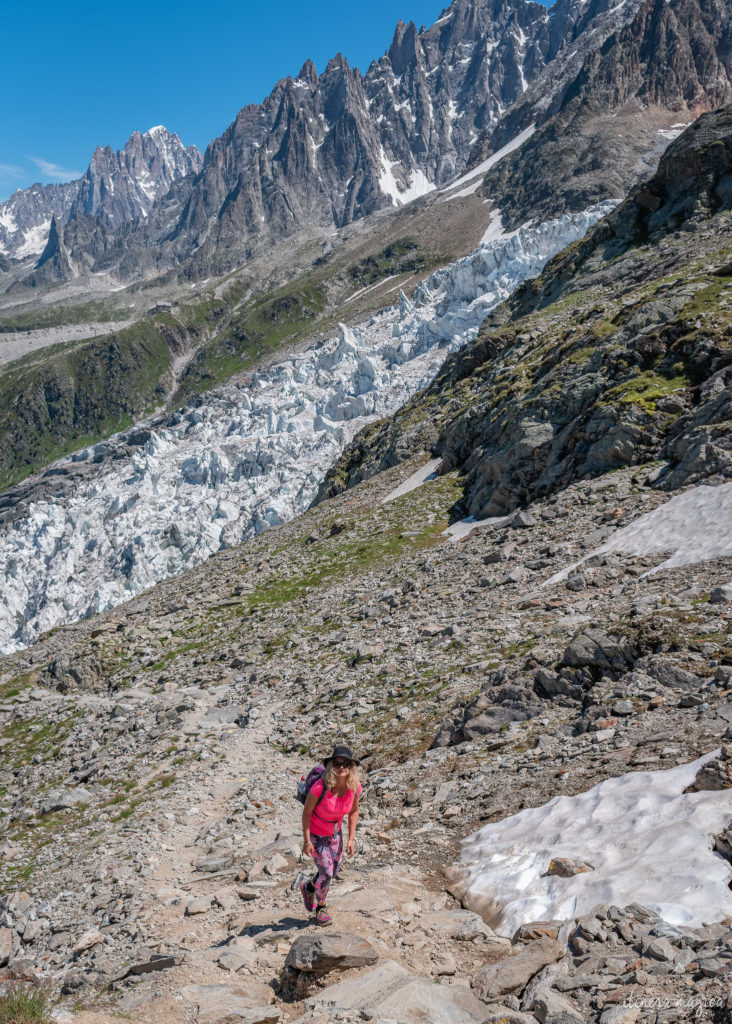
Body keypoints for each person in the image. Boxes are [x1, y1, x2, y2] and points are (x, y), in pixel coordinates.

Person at [300, 745, 361, 926]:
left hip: (335, 835)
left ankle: (309, 886)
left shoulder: (355, 787)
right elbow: (306, 813)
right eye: (337, 763)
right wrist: (307, 841)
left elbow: (354, 812)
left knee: (332, 871)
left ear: (351, 768)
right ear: (331, 766)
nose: (341, 767)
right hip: (317, 835)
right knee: (326, 873)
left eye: (346, 764)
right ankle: (321, 909)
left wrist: (350, 838)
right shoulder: (321, 787)